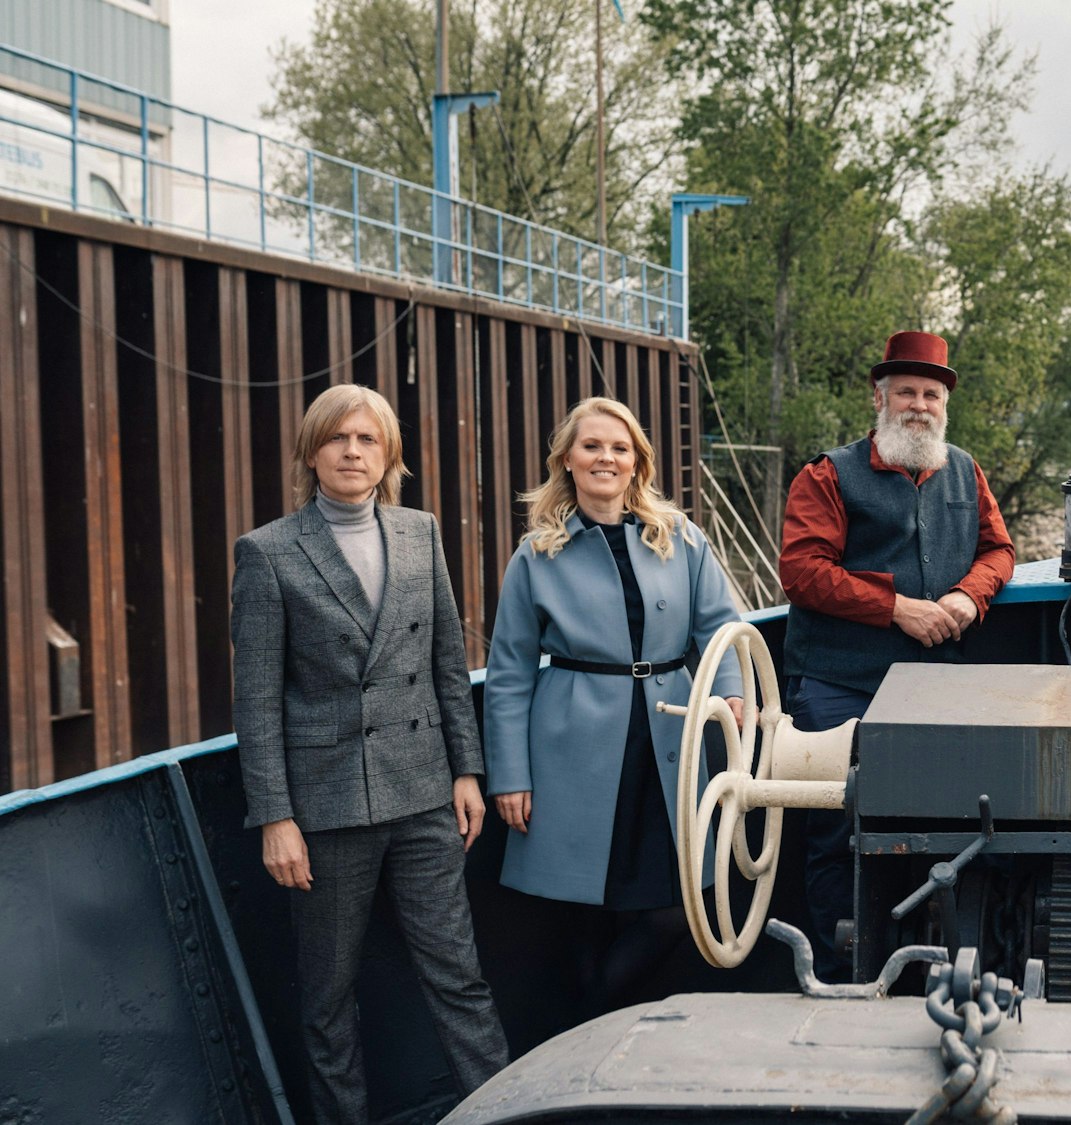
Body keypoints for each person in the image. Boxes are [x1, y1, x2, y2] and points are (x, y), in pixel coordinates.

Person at [231, 384, 508, 1125]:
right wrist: (275, 817)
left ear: (388, 455)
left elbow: (448, 661)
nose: (352, 451)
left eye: (368, 440)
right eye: (337, 439)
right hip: (325, 809)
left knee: (460, 976)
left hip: (423, 794)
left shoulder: (420, 532)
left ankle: (505, 1112)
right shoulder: (266, 553)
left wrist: (466, 771)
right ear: (311, 452)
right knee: (328, 998)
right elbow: (256, 701)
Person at [483, 397, 744, 1015]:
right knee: (582, 911)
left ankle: (592, 1016)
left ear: (637, 464)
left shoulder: (681, 538)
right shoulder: (536, 553)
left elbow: (719, 625)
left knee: (676, 910)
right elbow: (510, 672)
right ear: (567, 461)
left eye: (619, 448)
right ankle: (597, 1040)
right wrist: (510, 775)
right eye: (592, 446)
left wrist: (732, 690)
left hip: (669, 740)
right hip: (571, 745)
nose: (606, 457)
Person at [778, 330, 1016, 977]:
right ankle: (837, 968)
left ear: (945, 404)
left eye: (931, 394)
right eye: (906, 391)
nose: (919, 404)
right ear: (879, 398)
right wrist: (896, 607)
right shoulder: (829, 473)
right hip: (837, 681)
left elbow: (1000, 550)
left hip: (932, 685)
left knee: (947, 821)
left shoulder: (965, 470)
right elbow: (801, 570)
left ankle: (935, 964)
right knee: (835, 826)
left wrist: (969, 597)